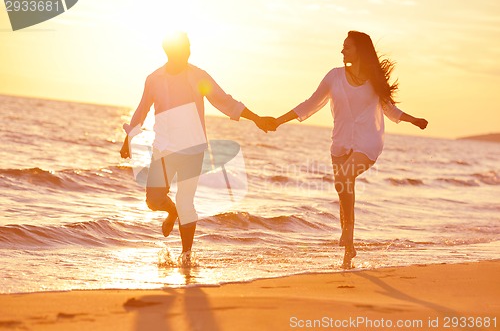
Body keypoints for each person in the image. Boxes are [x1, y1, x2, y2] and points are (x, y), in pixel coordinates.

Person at [272, 31, 428, 269]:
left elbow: (390, 109)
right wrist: (278, 121)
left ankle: (347, 232)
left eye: (347, 47)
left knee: (344, 178)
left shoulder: (374, 80)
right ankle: (349, 252)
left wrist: (413, 119)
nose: (342, 50)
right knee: (344, 190)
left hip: (368, 141)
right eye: (343, 47)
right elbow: (310, 103)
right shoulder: (334, 77)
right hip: (340, 141)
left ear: (359, 51)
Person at [120, 32, 274, 262]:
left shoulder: (198, 76)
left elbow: (224, 100)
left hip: (192, 148)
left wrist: (256, 118)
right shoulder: (154, 79)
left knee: (185, 201)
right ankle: (171, 212)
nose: (189, 52)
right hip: (163, 147)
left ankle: (186, 255)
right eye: (185, 48)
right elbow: (142, 110)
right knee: (153, 200)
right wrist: (127, 139)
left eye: (189, 48)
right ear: (170, 51)